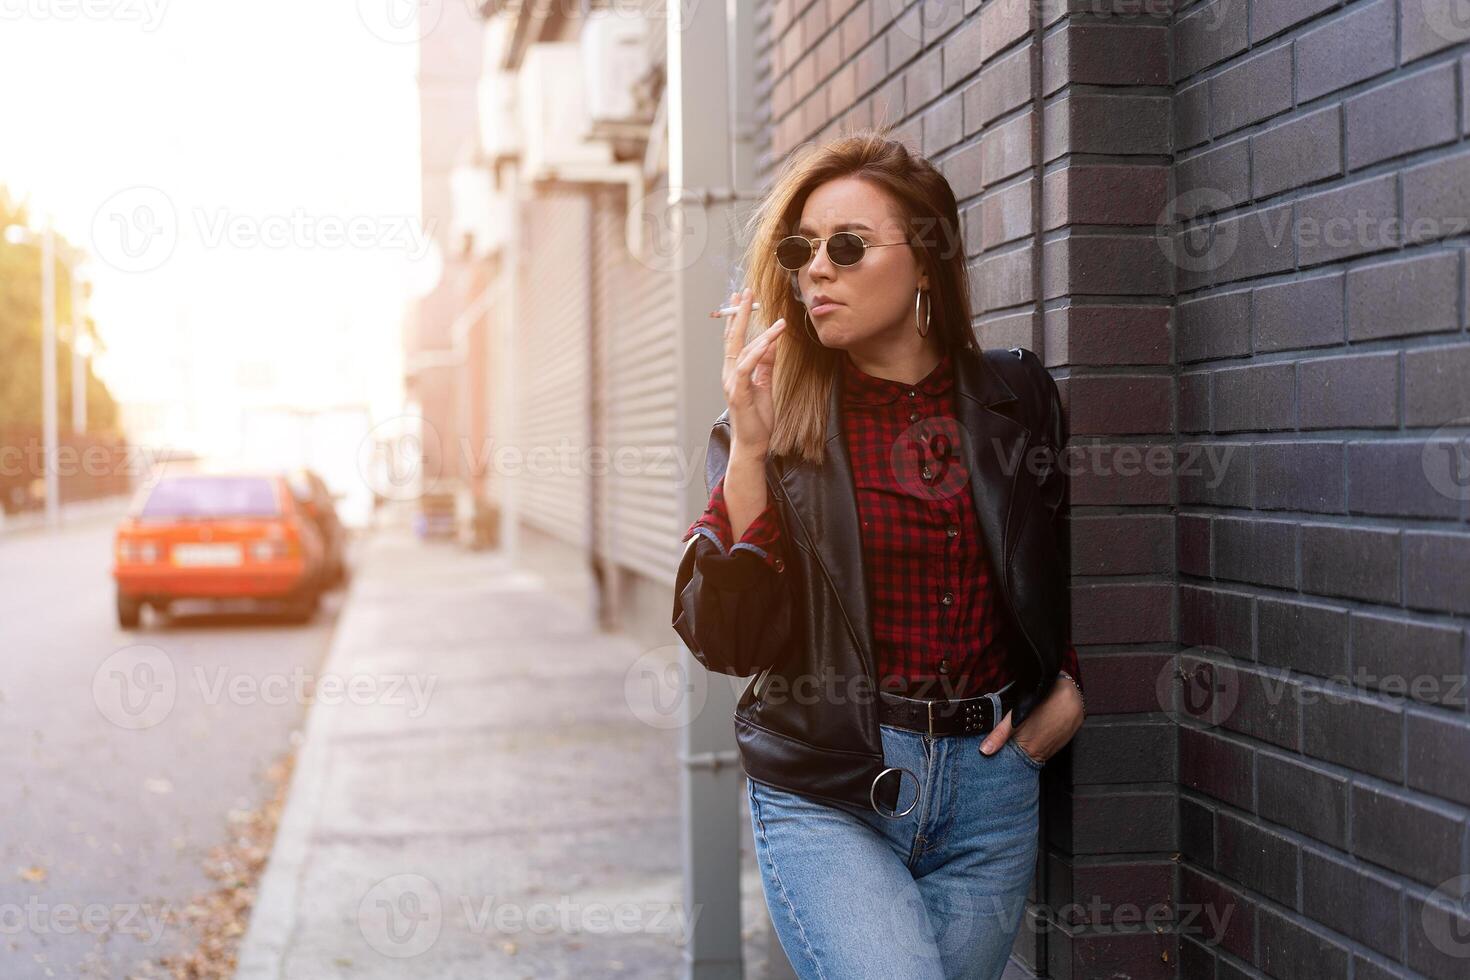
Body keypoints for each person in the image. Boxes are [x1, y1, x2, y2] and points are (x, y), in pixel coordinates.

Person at [671, 129, 1086, 979]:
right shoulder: (770, 428)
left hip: (989, 791)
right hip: (831, 788)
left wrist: (1064, 687)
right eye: (801, 248)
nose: (816, 268)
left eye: (848, 246)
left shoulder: (1018, 397)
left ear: (927, 262)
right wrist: (747, 449)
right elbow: (726, 641)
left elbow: (1047, 565)